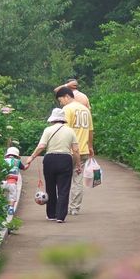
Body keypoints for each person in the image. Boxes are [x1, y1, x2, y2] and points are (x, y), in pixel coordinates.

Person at [26, 107, 81, 223]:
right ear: (63, 119)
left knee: (50, 187)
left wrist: (31, 157)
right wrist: (78, 165)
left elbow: (41, 146)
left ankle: (51, 214)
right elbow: (75, 150)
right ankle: (60, 216)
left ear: (53, 119)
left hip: (50, 159)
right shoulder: (70, 131)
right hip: (65, 159)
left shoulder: (48, 130)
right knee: (64, 189)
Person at [55, 86, 94, 216]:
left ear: (66, 96)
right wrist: (90, 147)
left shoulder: (67, 109)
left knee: (64, 180)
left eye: (60, 100)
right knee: (78, 180)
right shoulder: (86, 110)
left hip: (69, 150)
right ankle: (75, 208)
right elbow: (90, 131)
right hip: (83, 150)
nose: (61, 103)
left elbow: (64, 130)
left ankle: (62, 208)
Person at [2, 146, 26, 218]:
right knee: (12, 196)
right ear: (17, 155)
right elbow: (24, 168)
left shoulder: (4, 160)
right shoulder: (17, 162)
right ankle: (11, 208)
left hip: (3, 181)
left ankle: (3, 207)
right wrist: (28, 164)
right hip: (12, 182)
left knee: (4, 194)